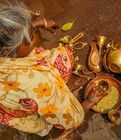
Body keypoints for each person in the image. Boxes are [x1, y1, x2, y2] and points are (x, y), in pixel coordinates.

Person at [0, 1, 106, 137]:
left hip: (6, 102)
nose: (34, 38)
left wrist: (39, 23)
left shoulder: (4, 47)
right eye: (30, 37)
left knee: (62, 55)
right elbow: (71, 120)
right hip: (24, 111)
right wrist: (89, 102)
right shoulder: (35, 81)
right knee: (64, 56)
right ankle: (45, 123)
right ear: (8, 50)